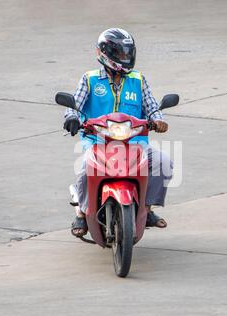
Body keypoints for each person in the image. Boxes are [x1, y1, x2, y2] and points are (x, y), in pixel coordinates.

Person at [63, 28, 173, 237]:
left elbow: (152, 107)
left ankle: (147, 208)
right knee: (85, 169)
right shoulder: (90, 79)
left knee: (163, 162)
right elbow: (74, 104)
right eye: (122, 54)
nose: (126, 58)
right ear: (106, 53)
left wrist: (159, 120)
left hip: (134, 143)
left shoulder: (138, 80)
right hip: (97, 141)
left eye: (128, 53)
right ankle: (82, 212)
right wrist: (71, 118)